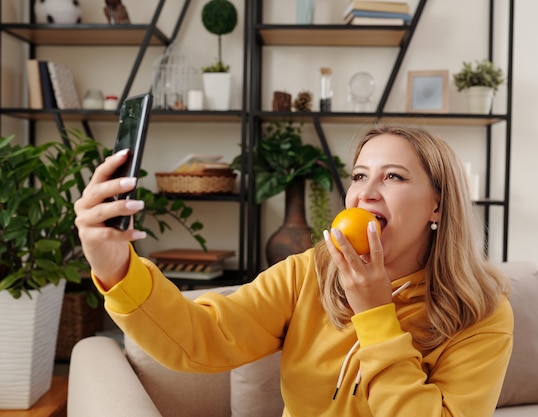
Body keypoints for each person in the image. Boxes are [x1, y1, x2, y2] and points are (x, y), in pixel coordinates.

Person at [74, 123, 513, 416]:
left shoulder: (482, 312)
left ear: (437, 202)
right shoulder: (308, 273)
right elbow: (201, 339)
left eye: (393, 177)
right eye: (359, 176)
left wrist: (375, 318)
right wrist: (116, 268)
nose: (365, 194)